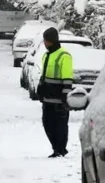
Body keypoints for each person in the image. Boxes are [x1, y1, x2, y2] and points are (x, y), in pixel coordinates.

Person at [36, 27, 73, 158]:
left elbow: (67, 78)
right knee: (47, 124)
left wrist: (65, 98)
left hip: (59, 100)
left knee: (60, 126)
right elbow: (44, 76)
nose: (44, 43)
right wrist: (40, 90)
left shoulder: (64, 56)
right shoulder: (46, 55)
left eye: (45, 40)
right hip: (47, 99)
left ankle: (60, 149)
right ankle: (56, 148)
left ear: (50, 40)